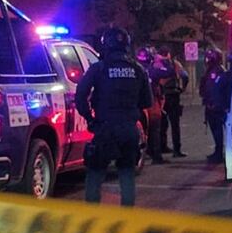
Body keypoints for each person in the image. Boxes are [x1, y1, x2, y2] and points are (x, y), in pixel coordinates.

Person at [75, 27, 152, 206]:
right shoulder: (138, 69)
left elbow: (80, 96)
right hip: (129, 129)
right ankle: (127, 216)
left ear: (106, 45)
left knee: (95, 174)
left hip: (105, 128)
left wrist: (90, 119)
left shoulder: (99, 69)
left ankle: (92, 217)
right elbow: (147, 102)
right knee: (127, 175)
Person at [139, 46, 172, 164]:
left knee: (141, 131)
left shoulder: (135, 69)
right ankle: (156, 156)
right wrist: (164, 60)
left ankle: (145, 153)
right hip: (151, 105)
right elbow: (170, 72)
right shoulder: (152, 70)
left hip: (136, 105)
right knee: (155, 131)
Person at [156, 46, 190, 158]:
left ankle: (162, 147)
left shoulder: (155, 64)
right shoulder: (175, 64)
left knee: (161, 124)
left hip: (160, 97)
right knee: (175, 124)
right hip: (173, 95)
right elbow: (185, 76)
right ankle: (177, 150)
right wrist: (182, 89)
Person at [200, 48, 226, 164]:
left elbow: (214, 89)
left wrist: (213, 103)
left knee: (217, 130)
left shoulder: (217, 71)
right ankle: (218, 151)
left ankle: (219, 153)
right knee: (215, 130)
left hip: (215, 105)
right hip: (210, 104)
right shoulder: (210, 70)